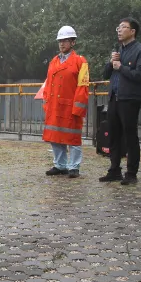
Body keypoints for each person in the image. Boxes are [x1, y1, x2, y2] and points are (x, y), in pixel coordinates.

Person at [100, 17, 141, 185]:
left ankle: (131, 173)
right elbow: (106, 75)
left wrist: (121, 67)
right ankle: (114, 170)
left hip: (130, 99)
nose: (119, 30)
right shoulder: (118, 50)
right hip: (114, 97)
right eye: (118, 27)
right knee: (113, 135)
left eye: (123, 27)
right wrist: (111, 62)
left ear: (132, 31)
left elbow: (140, 76)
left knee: (130, 136)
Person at [42, 26, 90, 178]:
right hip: (55, 106)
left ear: (73, 42)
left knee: (73, 138)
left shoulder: (80, 61)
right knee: (55, 136)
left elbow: (83, 86)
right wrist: (46, 103)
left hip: (70, 106)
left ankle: (74, 167)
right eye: (60, 41)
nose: (62, 44)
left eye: (65, 41)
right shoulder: (53, 61)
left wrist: (78, 108)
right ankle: (60, 165)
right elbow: (48, 83)